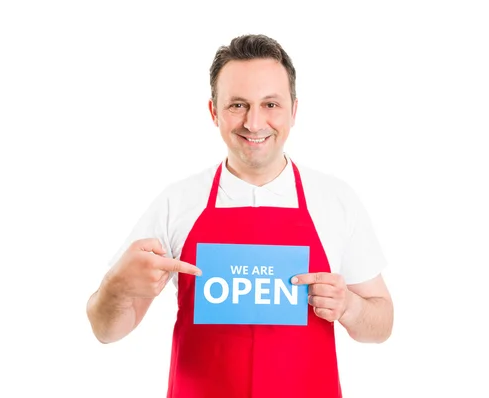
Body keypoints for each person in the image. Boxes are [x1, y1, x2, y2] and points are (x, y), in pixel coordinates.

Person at [86, 33, 393, 398]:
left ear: (294, 111)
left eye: (270, 104)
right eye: (237, 105)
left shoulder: (335, 200)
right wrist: (116, 289)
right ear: (214, 111)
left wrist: (350, 307)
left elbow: (382, 321)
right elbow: (106, 330)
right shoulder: (177, 202)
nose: (254, 122)